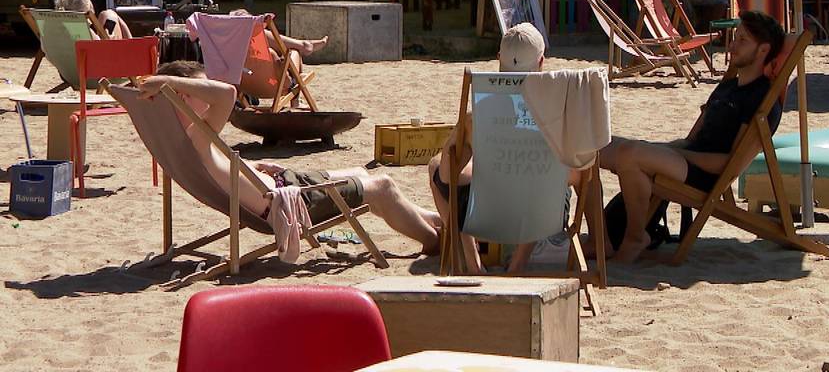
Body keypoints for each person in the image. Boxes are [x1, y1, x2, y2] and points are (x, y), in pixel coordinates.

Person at [138, 60, 443, 253]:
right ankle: (435, 241)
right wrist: (172, 83)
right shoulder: (195, 139)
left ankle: (440, 223)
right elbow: (226, 94)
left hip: (283, 183)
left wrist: (253, 167)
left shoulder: (182, 141)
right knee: (383, 187)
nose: (206, 95)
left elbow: (222, 170)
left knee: (362, 175)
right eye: (199, 89)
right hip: (292, 203)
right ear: (181, 96)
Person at [599, 11, 786, 263]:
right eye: (735, 37)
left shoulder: (761, 100)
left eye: (742, 40)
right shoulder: (729, 86)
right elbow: (693, 137)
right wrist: (667, 148)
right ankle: (600, 239)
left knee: (630, 155)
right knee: (601, 144)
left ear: (763, 50)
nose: (732, 45)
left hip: (704, 174)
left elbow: (728, 164)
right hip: (684, 158)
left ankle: (635, 237)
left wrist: (677, 152)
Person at [427, 23, 550, 273]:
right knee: (547, 179)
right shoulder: (556, 111)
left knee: (438, 167)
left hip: (487, 210)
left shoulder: (478, 117)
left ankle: (473, 264)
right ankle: (518, 265)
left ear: (498, 60)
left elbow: (447, 174)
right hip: (544, 211)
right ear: (541, 62)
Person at [228, 9, 327, 103]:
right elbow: (287, 83)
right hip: (274, 88)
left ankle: (304, 45)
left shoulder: (226, 54)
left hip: (246, 88)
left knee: (249, 32)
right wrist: (293, 78)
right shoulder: (269, 55)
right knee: (294, 52)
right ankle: (295, 101)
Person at [55, 0, 132, 40]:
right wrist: (109, 38)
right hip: (97, 59)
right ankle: (133, 46)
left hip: (70, 60)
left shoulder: (51, 32)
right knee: (109, 14)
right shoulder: (85, 33)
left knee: (106, 14)